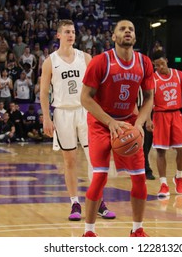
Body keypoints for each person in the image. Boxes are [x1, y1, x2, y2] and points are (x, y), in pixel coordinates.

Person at [80, 19, 154, 237]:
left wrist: (139, 124)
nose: (127, 31)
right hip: (101, 123)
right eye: (122, 29)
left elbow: (149, 98)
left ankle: (137, 230)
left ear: (135, 36)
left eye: (131, 28)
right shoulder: (100, 62)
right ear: (114, 37)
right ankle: (89, 232)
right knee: (100, 176)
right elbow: (85, 98)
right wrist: (110, 122)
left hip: (128, 123)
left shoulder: (144, 62)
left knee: (139, 177)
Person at [40, 19, 115, 222]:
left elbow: (98, 87)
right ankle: (74, 202)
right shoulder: (50, 61)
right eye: (66, 32)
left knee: (95, 159)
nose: (71, 35)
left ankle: (98, 201)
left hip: (85, 111)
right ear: (58, 35)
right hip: (63, 112)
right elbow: (44, 92)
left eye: (73, 31)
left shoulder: (86, 57)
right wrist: (46, 117)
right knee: (70, 161)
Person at [148, 50, 182, 198]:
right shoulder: (153, 79)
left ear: (167, 60)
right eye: (156, 66)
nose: (160, 67)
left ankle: (179, 177)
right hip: (160, 116)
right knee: (161, 151)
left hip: (177, 114)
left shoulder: (179, 75)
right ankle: (163, 184)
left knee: (181, 150)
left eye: (161, 64)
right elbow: (149, 100)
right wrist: (148, 119)